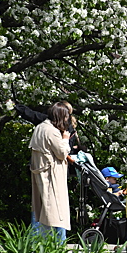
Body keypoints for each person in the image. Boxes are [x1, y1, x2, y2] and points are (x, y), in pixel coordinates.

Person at [29, 102, 74, 242]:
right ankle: (58, 247)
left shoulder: (39, 128)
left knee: (41, 211)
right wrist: (65, 139)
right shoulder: (52, 131)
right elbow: (61, 153)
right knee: (57, 212)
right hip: (52, 175)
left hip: (41, 174)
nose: (67, 120)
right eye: (66, 117)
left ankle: (37, 245)